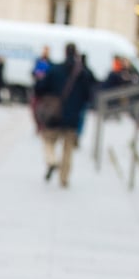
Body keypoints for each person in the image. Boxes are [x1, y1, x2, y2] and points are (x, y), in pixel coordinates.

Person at [34, 41, 95, 187]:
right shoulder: (83, 73)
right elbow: (89, 94)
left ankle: (52, 160)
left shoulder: (55, 69)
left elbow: (40, 87)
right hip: (73, 116)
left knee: (48, 140)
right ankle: (64, 178)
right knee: (68, 149)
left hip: (54, 114)